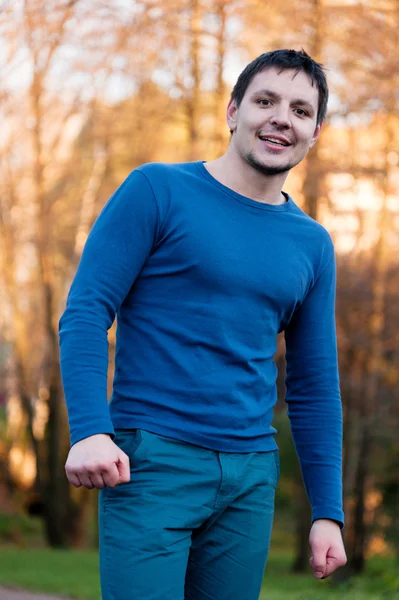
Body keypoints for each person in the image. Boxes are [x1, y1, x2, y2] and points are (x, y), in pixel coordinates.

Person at [59, 48, 347, 600]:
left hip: (250, 479)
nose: (281, 118)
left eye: (300, 110)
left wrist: (327, 511)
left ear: (315, 133)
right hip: (150, 462)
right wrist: (91, 429)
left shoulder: (312, 244)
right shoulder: (157, 191)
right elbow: (87, 309)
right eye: (265, 101)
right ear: (234, 111)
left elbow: (314, 385)